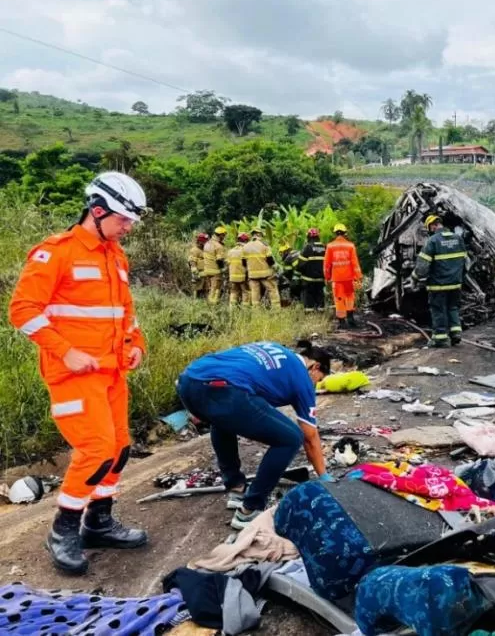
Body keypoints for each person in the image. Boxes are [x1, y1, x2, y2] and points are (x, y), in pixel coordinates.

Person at [8, 172, 149, 574]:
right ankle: (62, 529)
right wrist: (65, 352)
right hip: (73, 375)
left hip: (112, 372)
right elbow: (22, 311)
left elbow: (125, 312)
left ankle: (98, 523)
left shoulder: (115, 255)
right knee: (97, 449)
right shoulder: (56, 252)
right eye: (123, 219)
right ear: (98, 210)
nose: (127, 228)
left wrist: (136, 344)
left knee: (119, 447)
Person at [176, 342, 331, 529]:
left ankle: (236, 488)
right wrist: (324, 476)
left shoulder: (274, 348)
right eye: (318, 379)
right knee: (291, 438)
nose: (315, 384)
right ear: (315, 367)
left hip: (188, 380)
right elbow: (310, 436)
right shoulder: (302, 377)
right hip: (224, 389)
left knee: (223, 419)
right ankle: (250, 509)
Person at [412, 215, 466, 347]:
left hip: (438, 285)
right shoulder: (458, 239)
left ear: (432, 226)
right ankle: (455, 334)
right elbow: (466, 262)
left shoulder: (432, 241)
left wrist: (415, 277)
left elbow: (422, 266)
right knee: (453, 307)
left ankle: (440, 338)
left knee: (438, 310)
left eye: (429, 228)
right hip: (455, 283)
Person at [323, 223, 363, 328]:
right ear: (345, 233)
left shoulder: (330, 246)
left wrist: (327, 277)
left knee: (339, 299)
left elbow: (326, 265)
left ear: (335, 233)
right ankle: (351, 319)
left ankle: (342, 322)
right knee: (349, 297)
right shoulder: (350, 245)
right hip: (349, 278)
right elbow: (355, 263)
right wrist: (358, 277)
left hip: (337, 279)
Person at [243, 228, 280, 308]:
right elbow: (270, 259)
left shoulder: (246, 246)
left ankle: (256, 310)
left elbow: (243, 262)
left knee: (255, 292)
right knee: (272, 289)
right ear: (259, 234)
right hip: (265, 274)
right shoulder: (264, 245)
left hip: (252, 274)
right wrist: (275, 267)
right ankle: (276, 309)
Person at [295, 228, 327, 313]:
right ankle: (321, 313)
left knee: (308, 297)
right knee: (320, 295)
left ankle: (309, 315)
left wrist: (298, 275)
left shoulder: (308, 247)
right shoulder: (324, 247)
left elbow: (300, 264)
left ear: (308, 236)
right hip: (321, 278)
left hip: (308, 279)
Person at [202, 227, 227, 305]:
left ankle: (208, 302)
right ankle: (212, 305)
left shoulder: (207, 243)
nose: (224, 237)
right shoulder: (218, 246)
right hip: (215, 271)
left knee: (209, 288)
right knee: (215, 289)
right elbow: (219, 260)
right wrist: (223, 268)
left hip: (206, 270)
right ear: (221, 235)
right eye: (224, 235)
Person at [227, 233, 250, 308]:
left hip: (232, 276)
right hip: (242, 276)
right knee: (245, 292)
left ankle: (232, 308)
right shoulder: (246, 250)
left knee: (234, 292)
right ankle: (246, 309)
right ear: (246, 241)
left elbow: (228, 263)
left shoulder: (230, 251)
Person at [188, 232, 208, 298]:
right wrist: (195, 272)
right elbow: (192, 261)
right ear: (200, 241)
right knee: (196, 288)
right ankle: (195, 300)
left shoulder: (205, 250)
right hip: (198, 272)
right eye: (204, 241)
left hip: (205, 272)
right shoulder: (194, 250)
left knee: (205, 288)